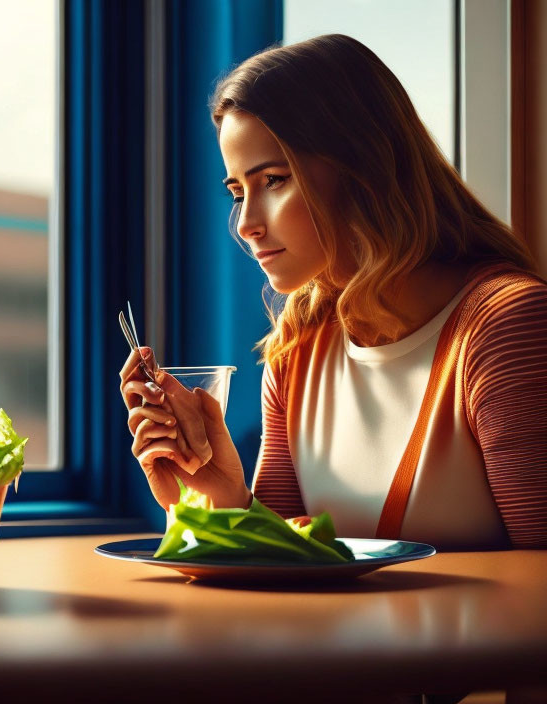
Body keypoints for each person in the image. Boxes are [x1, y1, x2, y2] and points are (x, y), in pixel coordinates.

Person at [119, 34, 547, 550]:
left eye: (274, 180)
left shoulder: (505, 326)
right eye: (237, 192)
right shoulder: (298, 348)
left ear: (362, 166)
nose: (246, 225)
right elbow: (284, 567)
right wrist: (220, 496)